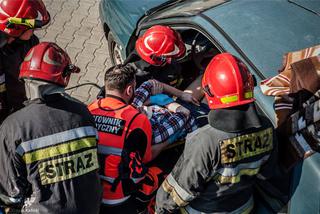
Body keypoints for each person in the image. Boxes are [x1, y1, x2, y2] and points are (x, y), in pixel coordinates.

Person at [156, 53, 278, 213]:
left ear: (210, 92)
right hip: (244, 208)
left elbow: (178, 192)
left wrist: (160, 208)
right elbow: (267, 174)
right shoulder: (267, 128)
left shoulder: (205, 140)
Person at [0, 42, 102, 213]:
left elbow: (12, 195)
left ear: (25, 80)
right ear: (64, 78)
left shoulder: (13, 127)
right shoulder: (83, 113)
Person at [88, 64, 165, 213]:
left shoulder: (90, 108)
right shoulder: (138, 119)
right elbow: (146, 158)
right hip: (119, 198)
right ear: (130, 90)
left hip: (91, 193)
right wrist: (166, 142)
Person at [0, 0, 50, 122]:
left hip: (19, 107)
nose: (34, 31)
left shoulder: (30, 42)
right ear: (16, 28)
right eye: (32, 28)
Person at [132, 79, 197, 149]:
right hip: (194, 122)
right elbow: (184, 112)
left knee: (203, 79)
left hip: (176, 105)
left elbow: (150, 84)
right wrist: (160, 99)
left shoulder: (133, 107)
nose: (139, 108)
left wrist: (182, 94)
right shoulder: (154, 135)